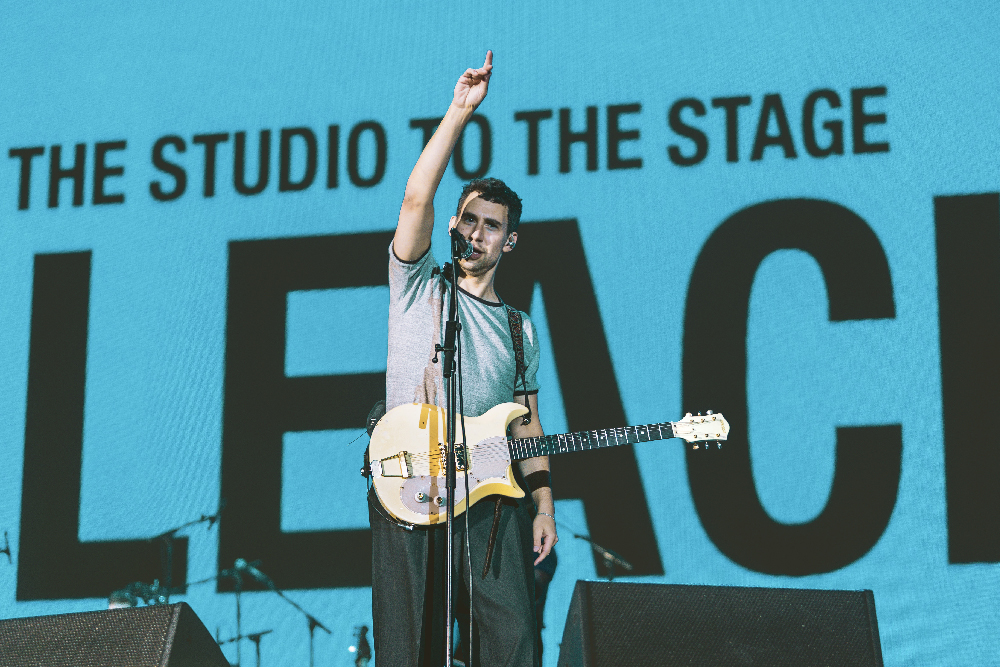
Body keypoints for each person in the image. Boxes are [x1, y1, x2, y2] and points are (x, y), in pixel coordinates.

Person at [369, 51, 557, 667]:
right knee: (410, 648)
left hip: (490, 500)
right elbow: (415, 195)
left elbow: (526, 423)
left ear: (510, 240)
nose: (477, 234)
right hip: (409, 484)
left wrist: (544, 505)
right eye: (469, 220)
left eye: (492, 226)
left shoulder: (517, 327)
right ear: (454, 223)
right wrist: (458, 113)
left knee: (511, 643)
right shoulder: (419, 284)